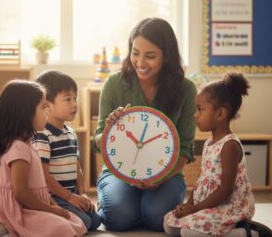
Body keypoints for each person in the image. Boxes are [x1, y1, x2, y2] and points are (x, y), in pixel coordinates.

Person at [93, 17, 197, 231]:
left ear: (167, 56)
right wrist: (110, 129)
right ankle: (126, 206)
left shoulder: (186, 89)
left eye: (150, 56)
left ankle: (139, 209)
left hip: (166, 173)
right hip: (119, 172)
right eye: (135, 52)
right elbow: (97, 141)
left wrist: (161, 178)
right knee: (118, 218)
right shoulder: (114, 84)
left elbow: (185, 149)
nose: (140, 62)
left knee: (157, 218)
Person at [0, 80, 86, 237]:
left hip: (31, 207)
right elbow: (21, 193)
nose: (47, 112)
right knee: (64, 229)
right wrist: (51, 210)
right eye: (43, 107)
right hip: (18, 213)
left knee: (75, 222)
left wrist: (55, 207)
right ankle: (5, 229)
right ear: (26, 113)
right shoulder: (18, 148)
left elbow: (40, 188)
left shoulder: (28, 144)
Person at [164, 72, 258, 237]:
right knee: (169, 225)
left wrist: (194, 210)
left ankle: (245, 233)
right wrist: (189, 204)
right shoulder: (209, 143)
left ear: (220, 114)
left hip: (228, 207)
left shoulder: (230, 146)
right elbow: (202, 179)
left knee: (188, 232)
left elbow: (225, 190)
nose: (195, 115)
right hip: (207, 205)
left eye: (200, 110)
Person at [33, 70, 101, 231]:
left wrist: (82, 194)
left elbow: (77, 168)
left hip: (70, 195)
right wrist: (70, 197)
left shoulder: (71, 133)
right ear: (47, 105)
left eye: (75, 98)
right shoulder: (43, 135)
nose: (75, 104)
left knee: (96, 220)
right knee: (84, 222)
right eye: (68, 99)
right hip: (53, 198)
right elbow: (43, 175)